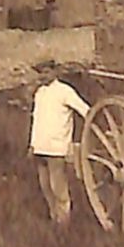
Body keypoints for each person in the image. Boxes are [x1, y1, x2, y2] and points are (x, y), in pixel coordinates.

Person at [29, 68, 91, 224]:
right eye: (40, 72)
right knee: (45, 186)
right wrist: (32, 145)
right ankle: (54, 216)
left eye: (45, 71)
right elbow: (36, 120)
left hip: (57, 148)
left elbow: (85, 110)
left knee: (58, 187)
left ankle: (64, 222)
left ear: (54, 72)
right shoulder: (40, 93)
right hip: (40, 147)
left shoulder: (64, 91)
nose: (43, 75)